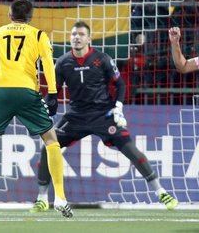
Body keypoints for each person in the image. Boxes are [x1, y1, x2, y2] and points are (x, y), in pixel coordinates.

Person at [30, 21, 178, 213]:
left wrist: (118, 107)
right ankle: (41, 198)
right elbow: (53, 93)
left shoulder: (102, 59)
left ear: (89, 39)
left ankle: (161, 192)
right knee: (47, 146)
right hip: (76, 116)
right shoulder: (63, 62)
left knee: (132, 151)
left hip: (103, 115)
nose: (76, 37)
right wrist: (46, 108)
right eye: (74, 34)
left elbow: (121, 85)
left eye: (81, 34)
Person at [0, 0, 72, 218]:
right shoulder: (38, 35)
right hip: (28, 93)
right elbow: (48, 62)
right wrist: (53, 93)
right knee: (51, 140)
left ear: (9, 15)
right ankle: (60, 198)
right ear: (31, 17)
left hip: (0, 92)